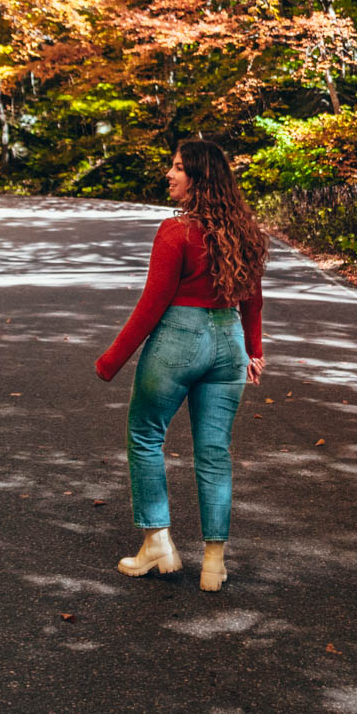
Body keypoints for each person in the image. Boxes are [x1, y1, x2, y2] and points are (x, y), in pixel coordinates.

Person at [95, 139, 268, 592]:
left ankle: (158, 541)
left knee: (146, 433)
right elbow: (253, 299)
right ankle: (213, 562)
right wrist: (254, 350)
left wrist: (113, 360)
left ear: (198, 177)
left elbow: (153, 304)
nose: (168, 175)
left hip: (178, 340)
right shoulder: (245, 232)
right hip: (228, 342)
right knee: (214, 452)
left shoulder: (176, 232)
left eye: (177, 168)